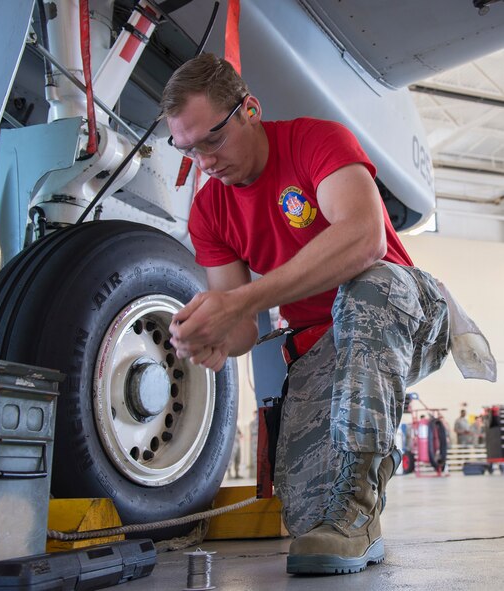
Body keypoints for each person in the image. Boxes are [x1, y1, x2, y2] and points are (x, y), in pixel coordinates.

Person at [161, 53, 495, 575]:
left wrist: (242, 303)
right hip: (323, 345)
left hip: (405, 313)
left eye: (213, 140)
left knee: (366, 289)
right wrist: (220, 338)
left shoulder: (316, 140)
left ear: (250, 109)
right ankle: (346, 492)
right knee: (309, 521)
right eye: (187, 149)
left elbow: (366, 240)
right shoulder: (209, 210)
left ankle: (358, 510)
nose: (204, 161)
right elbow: (244, 324)